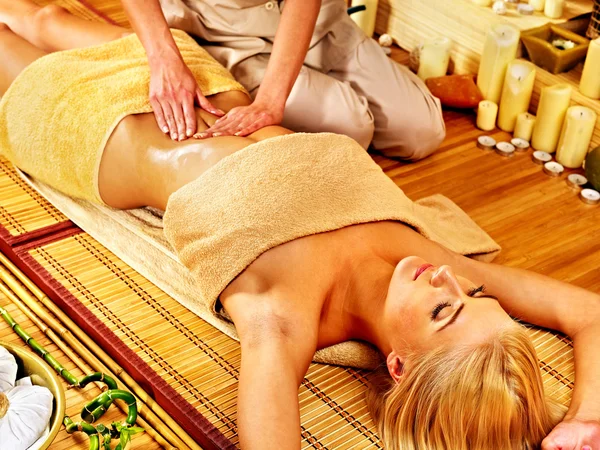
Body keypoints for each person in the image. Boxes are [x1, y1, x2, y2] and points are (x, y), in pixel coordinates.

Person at [0, 4, 599, 449]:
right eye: (474, 293)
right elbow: (590, 315)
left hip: (84, 122)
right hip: (209, 89)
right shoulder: (433, 266)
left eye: (445, 311)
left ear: (400, 367)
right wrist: (585, 422)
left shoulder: (285, 316)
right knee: (45, 11)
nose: (449, 278)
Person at [120, 0, 446, 159]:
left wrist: (269, 103)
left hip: (323, 24)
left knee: (422, 132)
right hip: (231, 35)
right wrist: (164, 56)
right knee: (352, 127)